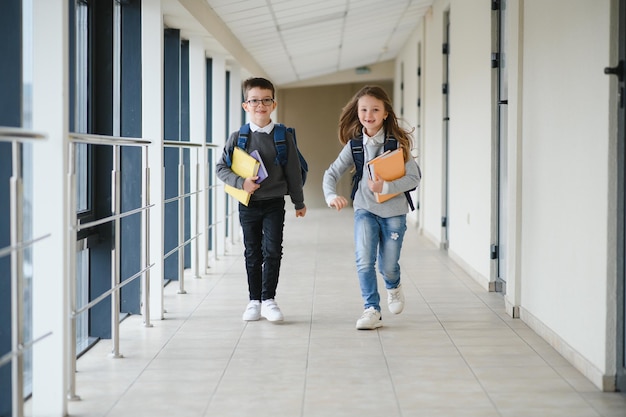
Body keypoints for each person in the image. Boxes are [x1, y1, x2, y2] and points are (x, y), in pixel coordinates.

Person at [322, 85, 421, 330]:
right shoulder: (355, 145)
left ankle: (394, 286)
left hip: (394, 212)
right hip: (364, 209)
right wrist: (331, 195)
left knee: (387, 266)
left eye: (375, 109)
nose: (369, 114)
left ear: (385, 113)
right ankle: (371, 310)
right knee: (364, 260)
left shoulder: (397, 143)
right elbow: (331, 173)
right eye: (364, 109)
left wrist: (385, 187)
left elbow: (414, 178)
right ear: (357, 112)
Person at [216, 77, 306, 322]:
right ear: (245, 105)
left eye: (266, 100)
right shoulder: (238, 138)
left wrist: (299, 203)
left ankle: (269, 300)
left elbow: (293, 174)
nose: (260, 105)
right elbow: (221, 168)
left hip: (275, 203)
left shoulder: (283, 136)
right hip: (248, 204)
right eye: (254, 100)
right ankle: (253, 300)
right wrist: (241, 183)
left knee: (273, 250)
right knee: (252, 251)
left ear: (273, 104)